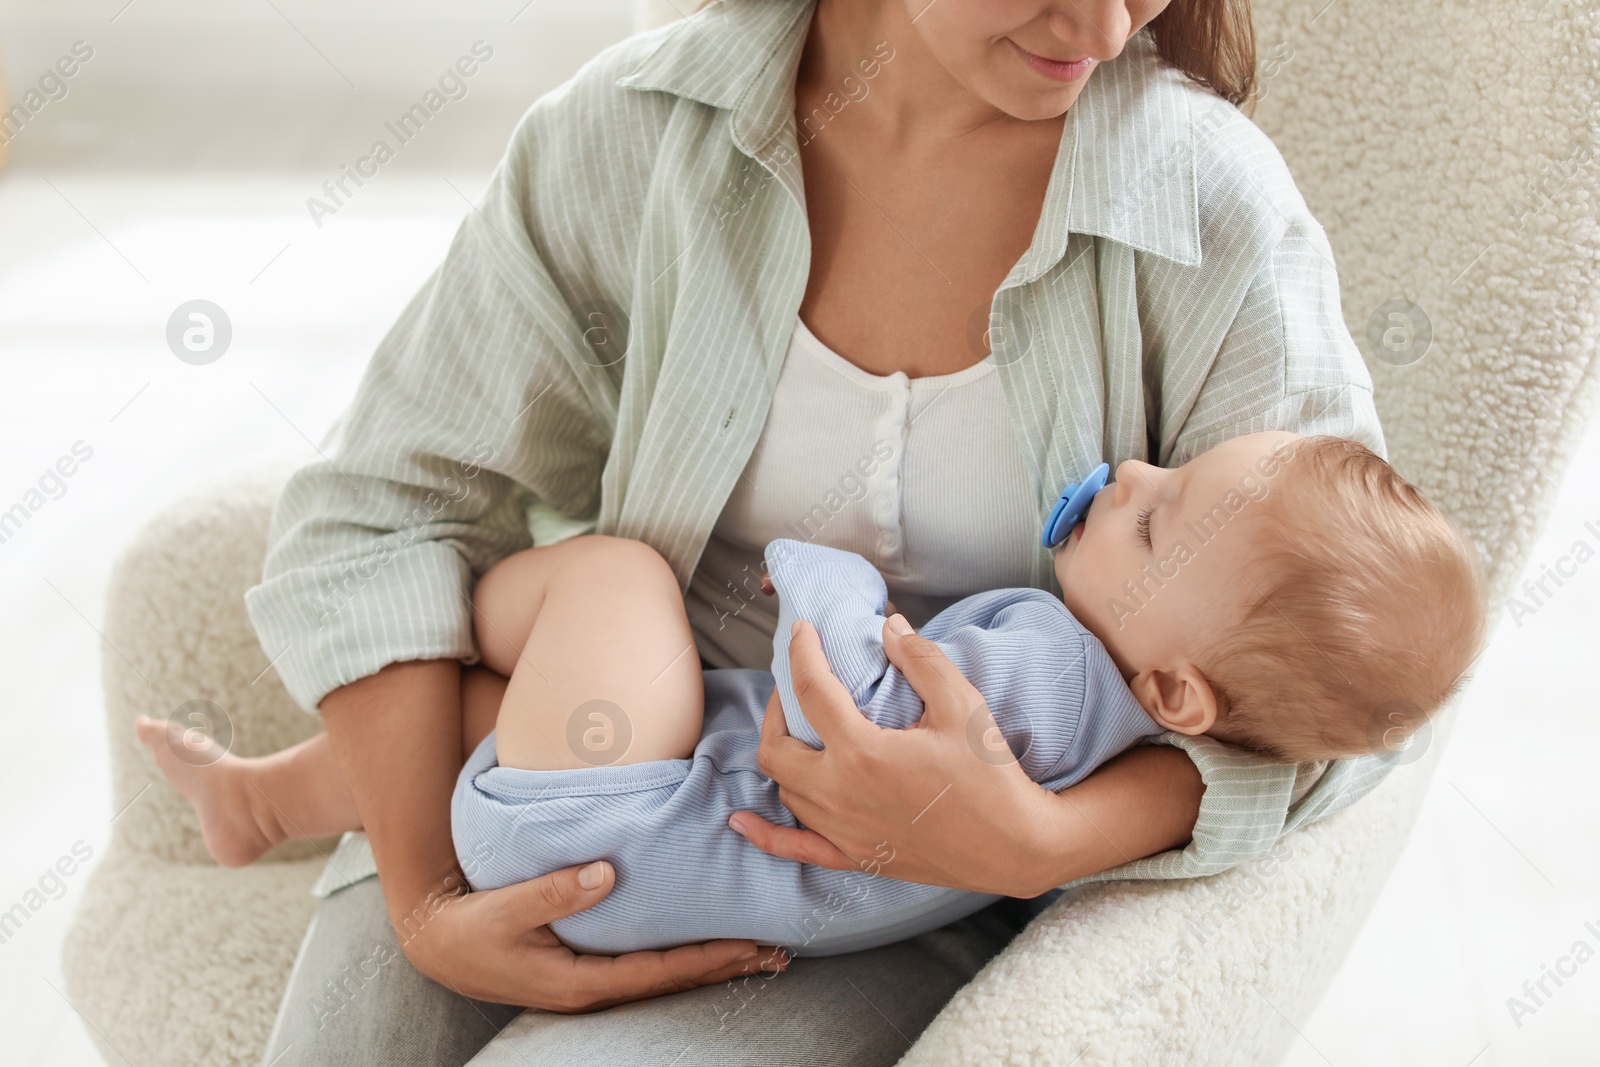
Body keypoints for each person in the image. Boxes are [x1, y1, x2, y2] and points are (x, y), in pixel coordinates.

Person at [229, 0, 1404, 1063]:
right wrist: (429, 899)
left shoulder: (1202, 207)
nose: (1102, 30)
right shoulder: (635, 135)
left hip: (889, 898)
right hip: (569, 764)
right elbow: (387, 507)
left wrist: (1038, 838)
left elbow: (1343, 691)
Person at [139, 432, 1485, 962]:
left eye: (1161, 514)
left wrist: (826, 576)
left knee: (602, 578)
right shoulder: (1108, 706)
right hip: (633, 854)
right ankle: (262, 798)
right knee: (495, 709)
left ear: (1181, 682)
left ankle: (468, 612)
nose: (1130, 469)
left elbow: (845, 695)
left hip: (636, 817)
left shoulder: (1054, 676)